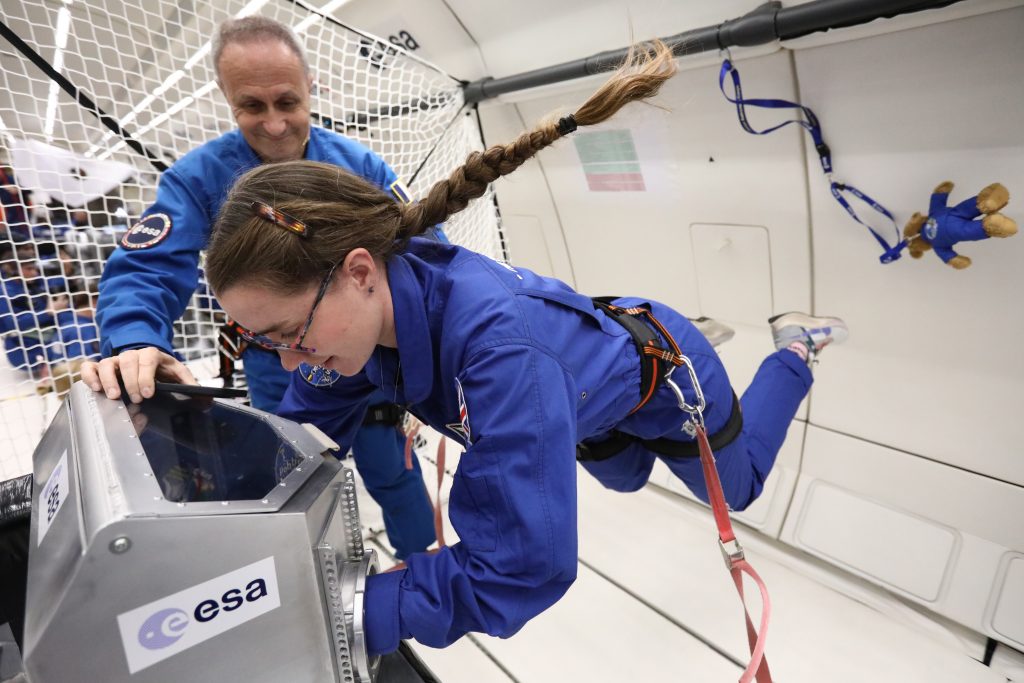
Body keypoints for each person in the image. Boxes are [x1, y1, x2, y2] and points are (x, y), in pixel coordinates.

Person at [196, 39, 850, 657]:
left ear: (360, 273)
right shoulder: (355, 325)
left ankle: (793, 349)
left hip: (661, 378)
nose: (288, 361)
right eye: (263, 341)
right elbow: (304, 429)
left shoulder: (499, 353)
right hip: (588, 402)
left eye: (287, 334)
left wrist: (343, 611)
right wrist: (222, 513)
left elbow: (518, 568)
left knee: (739, 488)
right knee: (626, 478)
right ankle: (614, 356)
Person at [82, 16, 435, 561]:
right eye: (252, 106)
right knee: (295, 483)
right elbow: (144, 267)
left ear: (311, 87)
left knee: (392, 471)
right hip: (283, 367)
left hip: (374, 366)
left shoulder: (358, 166)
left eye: (287, 102)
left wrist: (425, 353)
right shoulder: (199, 179)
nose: (274, 125)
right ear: (226, 99)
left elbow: (425, 249)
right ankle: (310, 579)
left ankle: (421, 561)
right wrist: (134, 340)